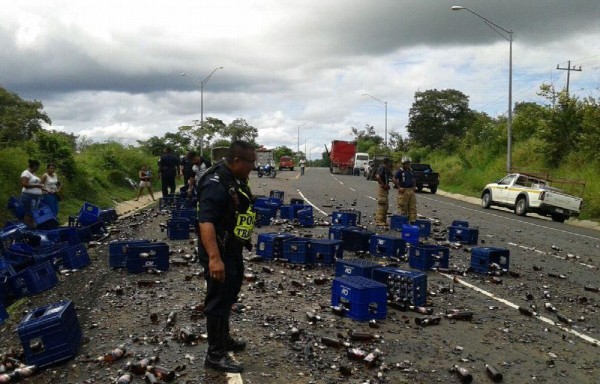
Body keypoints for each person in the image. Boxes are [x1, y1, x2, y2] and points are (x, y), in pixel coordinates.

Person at [197, 140, 256, 373]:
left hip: (232, 248)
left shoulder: (233, 178)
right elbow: (206, 222)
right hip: (218, 251)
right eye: (251, 162)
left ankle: (224, 340)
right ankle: (214, 355)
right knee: (218, 298)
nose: (254, 166)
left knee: (230, 292)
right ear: (237, 161)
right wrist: (214, 258)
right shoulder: (215, 183)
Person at [20, 159, 45, 227]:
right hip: (29, 197)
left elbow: (35, 185)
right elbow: (24, 184)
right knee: (29, 213)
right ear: (34, 166)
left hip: (35, 197)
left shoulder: (33, 174)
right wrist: (37, 185)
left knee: (33, 213)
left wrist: (42, 188)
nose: (37, 168)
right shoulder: (26, 173)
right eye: (37, 167)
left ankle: (31, 228)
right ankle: (27, 228)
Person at [393, 157, 418, 224]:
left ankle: (413, 222)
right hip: (404, 190)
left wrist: (415, 186)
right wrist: (399, 187)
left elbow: (414, 179)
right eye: (407, 163)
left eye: (409, 163)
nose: (408, 165)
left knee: (412, 207)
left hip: (411, 190)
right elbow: (394, 178)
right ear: (403, 164)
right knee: (403, 207)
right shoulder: (400, 171)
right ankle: (403, 223)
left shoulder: (411, 171)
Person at [374, 158, 392, 226]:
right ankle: (379, 221)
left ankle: (383, 221)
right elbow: (378, 177)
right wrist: (383, 184)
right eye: (389, 162)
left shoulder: (386, 169)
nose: (390, 164)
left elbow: (392, 177)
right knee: (382, 204)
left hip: (385, 188)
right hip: (382, 188)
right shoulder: (382, 168)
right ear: (387, 163)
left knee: (386, 206)